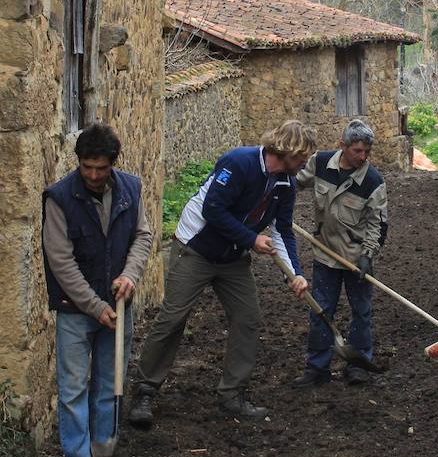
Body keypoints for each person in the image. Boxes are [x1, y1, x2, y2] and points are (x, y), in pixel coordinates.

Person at [126, 120, 317, 425]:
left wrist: (294, 273)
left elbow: (282, 230)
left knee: (248, 319)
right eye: (303, 156)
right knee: (173, 317)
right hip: (197, 248)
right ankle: (145, 390)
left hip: (232, 257)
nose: (306, 162)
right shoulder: (239, 162)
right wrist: (251, 239)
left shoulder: (285, 184)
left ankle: (232, 394)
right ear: (287, 150)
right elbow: (212, 210)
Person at [42, 123, 155, 457]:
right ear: (79, 163)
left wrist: (130, 275)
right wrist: (94, 306)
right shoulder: (59, 198)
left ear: (112, 165)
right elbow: (60, 259)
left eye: (100, 168)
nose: (92, 175)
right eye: (86, 167)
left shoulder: (130, 189)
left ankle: (104, 455)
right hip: (75, 310)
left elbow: (142, 236)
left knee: (109, 387)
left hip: (118, 305)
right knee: (73, 389)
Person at [292, 118, 389, 386]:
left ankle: (358, 365)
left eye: (367, 151)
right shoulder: (320, 163)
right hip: (325, 254)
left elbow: (377, 224)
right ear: (342, 146)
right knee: (321, 310)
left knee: (361, 312)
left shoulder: (373, 181)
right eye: (357, 150)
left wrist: (367, 256)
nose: (363, 156)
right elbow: (294, 182)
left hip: (356, 259)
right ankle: (317, 368)